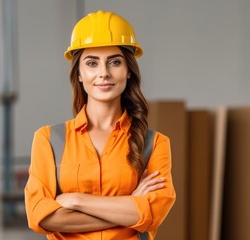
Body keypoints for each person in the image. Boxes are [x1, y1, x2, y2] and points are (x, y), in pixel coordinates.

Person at [24, 10, 176, 240]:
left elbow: (154, 213)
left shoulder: (154, 144)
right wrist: (130, 206)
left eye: (114, 62)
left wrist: (76, 200)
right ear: (79, 74)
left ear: (128, 72)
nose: (103, 73)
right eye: (92, 63)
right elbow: (39, 216)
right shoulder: (48, 140)